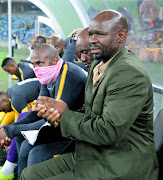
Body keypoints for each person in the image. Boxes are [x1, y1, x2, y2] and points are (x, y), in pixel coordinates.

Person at [20, 10, 158, 180]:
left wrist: (65, 117)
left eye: (100, 34)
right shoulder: (98, 65)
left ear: (121, 36)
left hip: (119, 162)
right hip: (93, 153)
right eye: (91, 33)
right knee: (29, 174)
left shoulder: (128, 73)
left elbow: (108, 131)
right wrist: (57, 115)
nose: (92, 40)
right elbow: (90, 111)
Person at [0, 43, 87, 179]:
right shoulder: (48, 76)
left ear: (54, 60)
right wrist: (9, 129)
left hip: (80, 132)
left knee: (36, 153)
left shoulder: (67, 74)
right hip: (64, 128)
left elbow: (54, 120)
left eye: (39, 63)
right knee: (21, 141)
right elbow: (37, 112)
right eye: (34, 64)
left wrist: (9, 130)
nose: (36, 69)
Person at [0, 78, 41, 180]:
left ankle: (9, 167)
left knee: (20, 128)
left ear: (4, 101)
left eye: (2, 109)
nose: (4, 112)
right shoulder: (12, 93)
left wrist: (8, 135)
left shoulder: (15, 100)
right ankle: (11, 166)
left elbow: (27, 119)